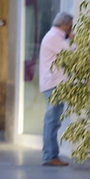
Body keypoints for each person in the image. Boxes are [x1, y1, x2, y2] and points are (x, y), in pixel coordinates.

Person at [38, 12, 74, 166]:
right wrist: (74, 39)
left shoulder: (53, 36)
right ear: (65, 25)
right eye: (71, 25)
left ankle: (50, 154)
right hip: (54, 84)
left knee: (52, 120)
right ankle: (50, 155)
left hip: (54, 83)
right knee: (52, 120)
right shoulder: (54, 37)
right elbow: (72, 52)